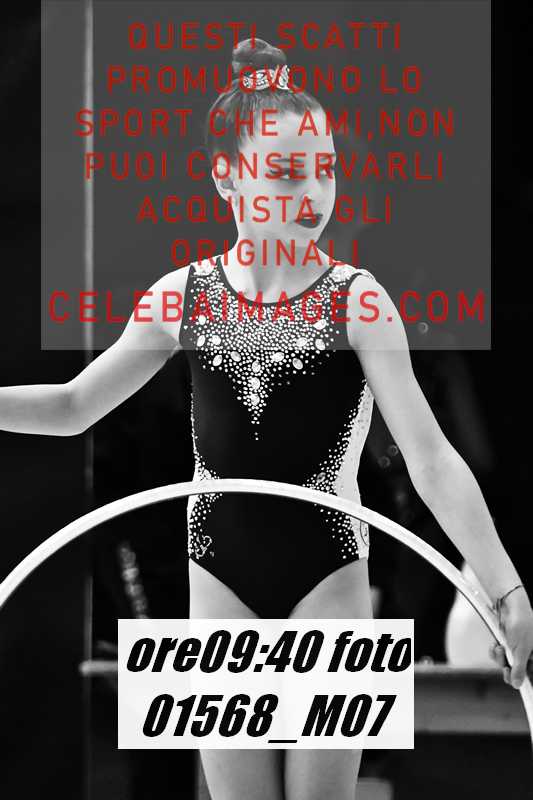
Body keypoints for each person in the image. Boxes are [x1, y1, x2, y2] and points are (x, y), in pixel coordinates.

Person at [1, 38, 532, 800]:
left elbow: (429, 457)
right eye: (285, 172)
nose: (310, 193)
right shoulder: (181, 297)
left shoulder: (357, 301)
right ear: (226, 176)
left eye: (324, 170)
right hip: (218, 575)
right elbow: (73, 405)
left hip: (330, 575)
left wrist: (504, 588)